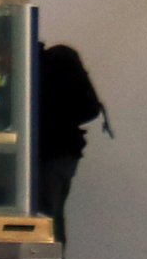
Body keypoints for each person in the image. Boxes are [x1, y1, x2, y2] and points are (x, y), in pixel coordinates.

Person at [30, 38, 106, 226]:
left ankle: (46, 254)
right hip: (62, 153)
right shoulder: (54, 63)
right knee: (51, 216)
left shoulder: (43, 69)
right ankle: (53, 253)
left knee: (44, 219)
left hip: (51, 154)